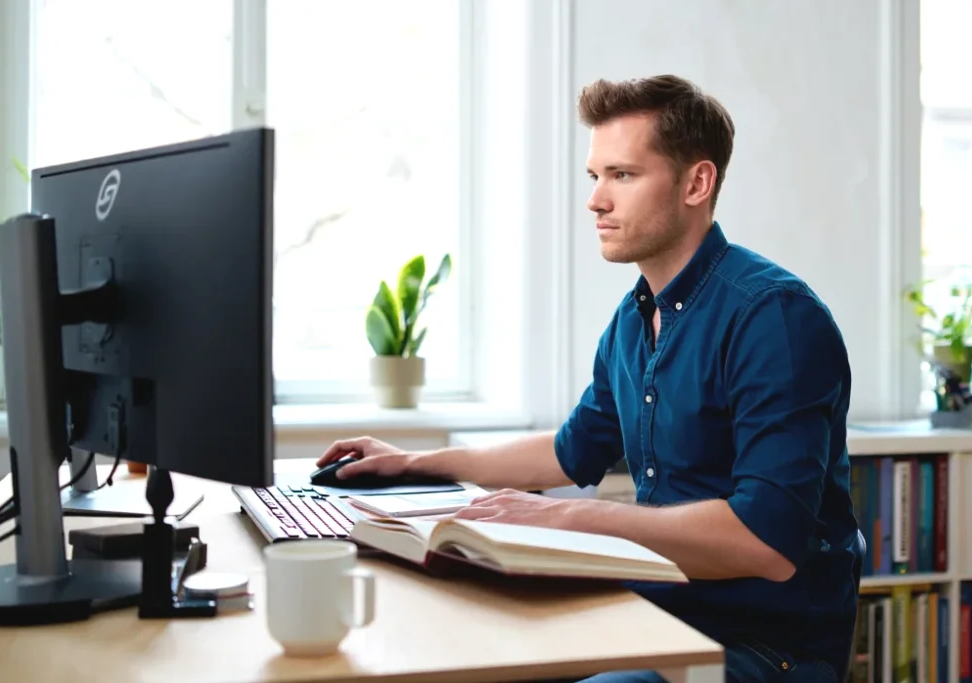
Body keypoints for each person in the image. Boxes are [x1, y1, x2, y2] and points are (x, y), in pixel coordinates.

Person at [317, 74, 862, 683]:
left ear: (696, 183)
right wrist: (415, 465)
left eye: (622, 175)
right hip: (655, 613)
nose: (596, 200)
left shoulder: (774, 317)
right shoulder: (633, 320)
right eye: (594, 176)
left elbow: (767, 544)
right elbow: (568, 452)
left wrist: (569, 518)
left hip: (762, 647)